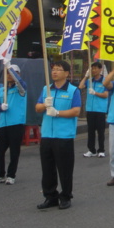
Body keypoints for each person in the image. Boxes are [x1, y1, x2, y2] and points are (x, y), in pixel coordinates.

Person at [35, 61, 82, 210]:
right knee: (47, 168)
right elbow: (37, 108)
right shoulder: (46, 89)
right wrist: (44, 105)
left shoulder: (73, 91)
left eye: (58, 70)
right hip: (47, 134)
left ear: (67, 73)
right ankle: (50, 196)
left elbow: (76, 111)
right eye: (53, 69)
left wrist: (58, 113)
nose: (54, 72)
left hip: (64, 135)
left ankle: (66, 196)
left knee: (65, 168)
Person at [0, 65, 27, 185]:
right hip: (3, 124)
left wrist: (9, 67)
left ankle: (11, 175)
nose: (9, 75)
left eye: (13, 73)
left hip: (16, 123)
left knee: (14, 151)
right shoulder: (2, 90)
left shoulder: (21, 89)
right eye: (7, 73)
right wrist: (0, 107)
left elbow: (20, 82)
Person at [78, 61, 109, 157]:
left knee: (100, 131)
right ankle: (91, 150)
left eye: (96, 68)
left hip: (100, 110)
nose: (94, 70)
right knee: (90, 131)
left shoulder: (105, 81)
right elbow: (80, 86)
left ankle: (101, 150)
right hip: (90, 109)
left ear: (101, 69)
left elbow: (105, 95)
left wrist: (95, 93)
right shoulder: (89, 81)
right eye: (92, 68)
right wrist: (86, 76)